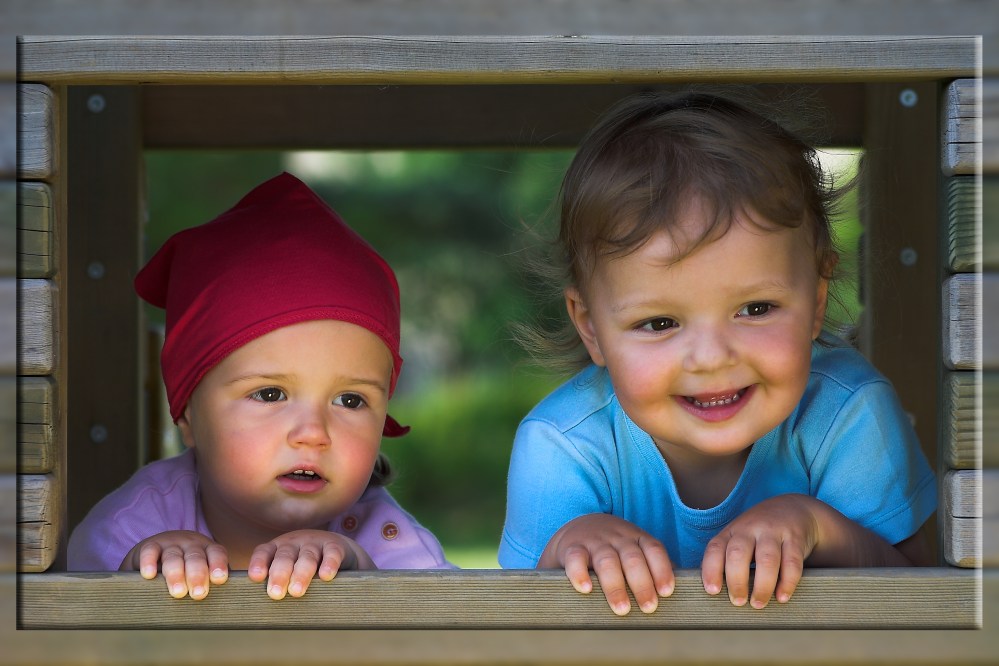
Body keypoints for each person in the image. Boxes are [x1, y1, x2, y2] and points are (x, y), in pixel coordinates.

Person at [498, 91, 937, 616]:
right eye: (659, 322)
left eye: (755, 308)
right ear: (591, 328)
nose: (710, 357)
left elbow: (921, 599)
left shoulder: (847, 414)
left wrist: (819, 527)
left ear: (816, 302)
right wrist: (569, 546)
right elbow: (520, 627)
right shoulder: (564, 447)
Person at [68, 172, 452, 600]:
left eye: (350, 399)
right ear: (189, 415)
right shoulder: (135, 522)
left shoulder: (381, 535)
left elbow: (453, 635)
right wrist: (134, 575)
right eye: (270, 394)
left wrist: (362, 571)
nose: (313, 433)